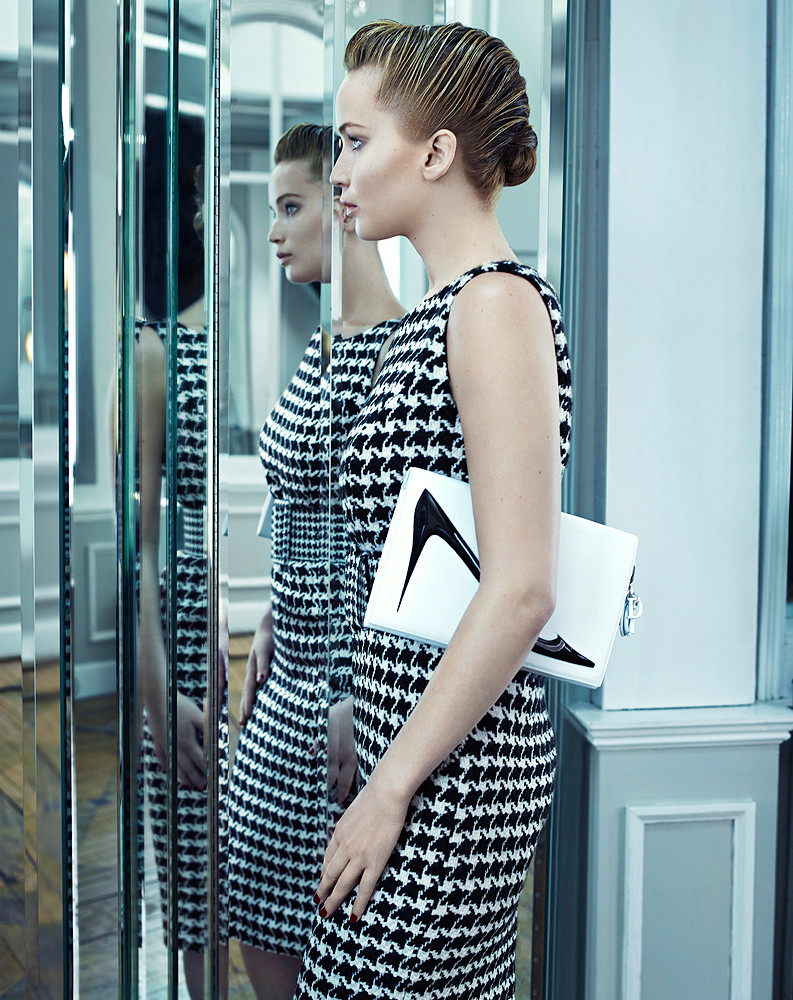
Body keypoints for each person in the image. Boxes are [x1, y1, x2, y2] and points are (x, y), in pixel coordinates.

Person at [295, 20, 572, 999]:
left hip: (457, 767)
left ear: (436, 152)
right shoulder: (439, 310)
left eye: (355, 141)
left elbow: (522, 587)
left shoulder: (493, 304)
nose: (339, 172)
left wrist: (389, 787)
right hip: (415, 737)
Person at [224, 123, 404, 1000]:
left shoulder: (394, 351)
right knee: (258, 911)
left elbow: (383, 548)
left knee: (321, 943)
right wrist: (272, 613)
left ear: (339, 204)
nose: (273, 231)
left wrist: (347, 689)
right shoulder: (322, 343)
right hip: (287, 679)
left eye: (289, 207)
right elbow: (311, 510)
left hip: (337, 700)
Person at [136, 112, 229, 999]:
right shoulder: (153, 351)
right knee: (194, 867)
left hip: (260, 628)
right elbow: (140, 545)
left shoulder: (235, 333)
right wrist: (157, 682)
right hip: (184, 624)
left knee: (259, 862)